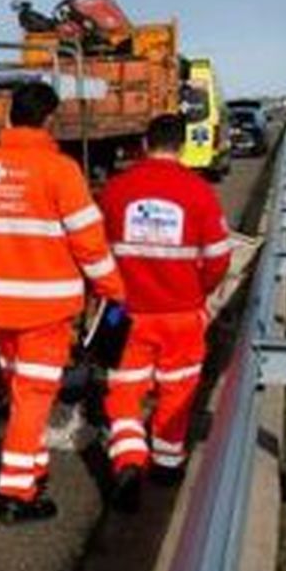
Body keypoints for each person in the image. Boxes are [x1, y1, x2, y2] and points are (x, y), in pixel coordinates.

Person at [0, 81, 126, 524]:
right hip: (45, 311)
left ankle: (32, 468)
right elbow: (90, 243)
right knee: (34, 397)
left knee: (20, 391)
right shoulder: (60, 171)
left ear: (9, 117)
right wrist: (113, 289)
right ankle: (16, 494)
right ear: (48, 119)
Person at [96, 113, 230, 508]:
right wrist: (198, 292)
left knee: (123, 389)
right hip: (182, 315)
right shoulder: (198, 191)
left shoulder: (117, 190)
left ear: (143, 143)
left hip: (128, 313)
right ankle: (168, 464)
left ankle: (127, 461)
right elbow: (219, 258)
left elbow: (97, 252)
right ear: (184, 145)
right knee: (178, 387)